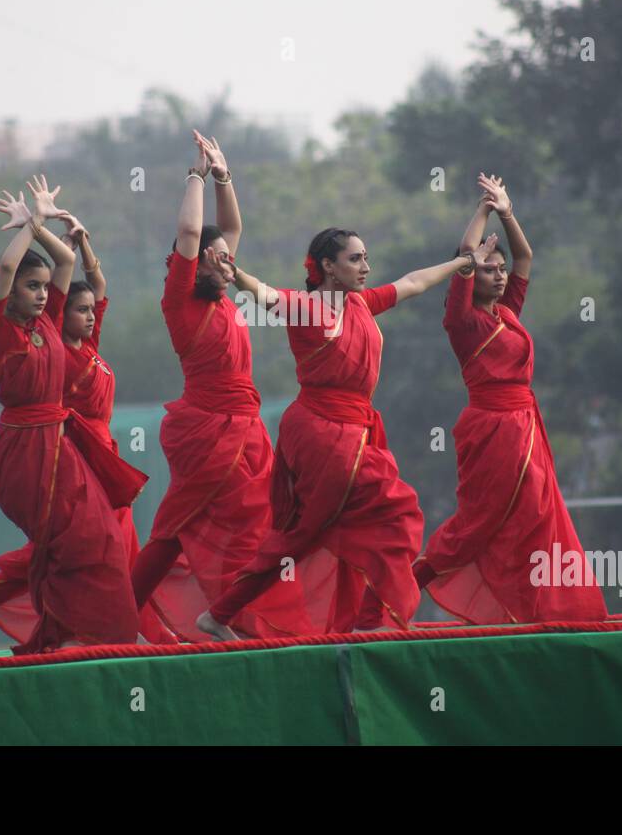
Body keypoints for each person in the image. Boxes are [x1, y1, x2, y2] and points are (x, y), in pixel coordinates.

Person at [196, 226, 502, 638]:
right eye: (355, 259)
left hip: (355, 431)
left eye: (365, 258)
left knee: (306, 534)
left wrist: (464, 263)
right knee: (396, 512)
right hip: (322, 431)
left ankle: (219, 614)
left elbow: (412, 283)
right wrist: (239, 275)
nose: (366, 267)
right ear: (327, 266)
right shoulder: (306, 308)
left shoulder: (361, 303)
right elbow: (265, 294)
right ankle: (370, 621)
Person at [0, 210, 162, 651]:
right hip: (23, 450)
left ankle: (74, 635)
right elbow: (5, 269)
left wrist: (46, 227)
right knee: (78, 542)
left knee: (92, 542)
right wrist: (29, 223)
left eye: (44, 287)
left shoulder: (48, 322)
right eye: (31, 286)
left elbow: (66, 263)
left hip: (66, 449)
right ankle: (77, 634)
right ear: (8, 292)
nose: (42, 295)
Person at [130, 131, 309, 641]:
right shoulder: (182, 299)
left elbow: (230, 225)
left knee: (238, 525)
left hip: (247, 429)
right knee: (175, 530)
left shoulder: (225, 298)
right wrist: (196, 176)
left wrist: (225, 175)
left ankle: (234, 616)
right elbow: (191, 231)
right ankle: (129, 619)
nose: (226, 258)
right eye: (216, 255)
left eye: (227, 255)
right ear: (195, 262)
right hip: (206, 428)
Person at [415, 174, 608, 623]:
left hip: (526, 427)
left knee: (537, 516)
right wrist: (481, 213)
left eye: (500, 269)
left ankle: (544, 609)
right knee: (480, 522)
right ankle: (410, 581)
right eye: (488, 269)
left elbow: (525, 255)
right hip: (494, 429)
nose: (499, 274)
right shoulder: (463, 323)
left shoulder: (507, 313)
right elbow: (465, 257)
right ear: (469, 277)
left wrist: (506, 209)